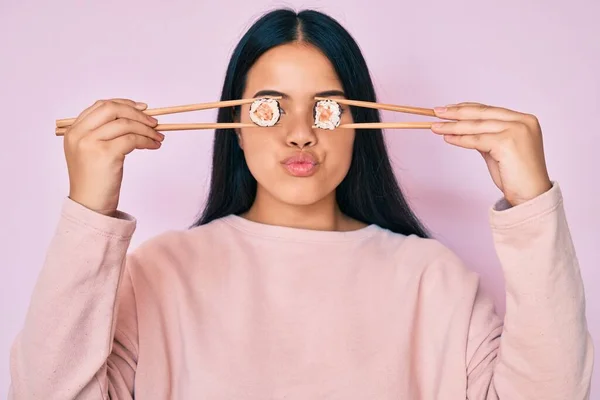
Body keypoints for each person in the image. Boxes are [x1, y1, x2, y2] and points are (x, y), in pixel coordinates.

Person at [8, 8, 593, 399]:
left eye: (328, 108)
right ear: (236, 126)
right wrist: (89, 211)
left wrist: (531, 203)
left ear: (361, 124)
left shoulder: (431, 279)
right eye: (269, 106)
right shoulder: (160, 275)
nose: (299, 133)